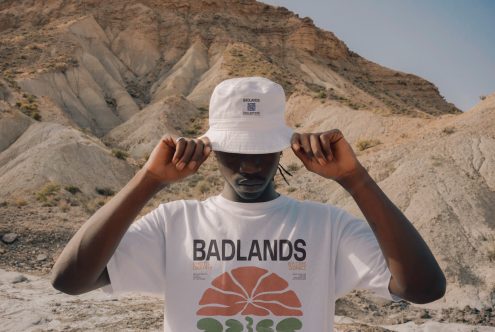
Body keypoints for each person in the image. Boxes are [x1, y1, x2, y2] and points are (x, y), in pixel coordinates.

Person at [50, 77, 445, 331]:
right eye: (236, 151)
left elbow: (424, 288)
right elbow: (70, 280)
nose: (251, 164)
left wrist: (354, 179)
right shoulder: (175, 223)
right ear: (210, 148)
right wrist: (148, 181)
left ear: (283, 147)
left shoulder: (327, 227)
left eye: (262, 150)